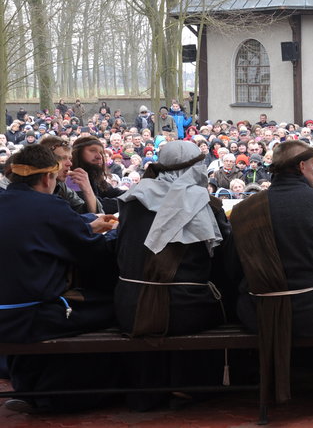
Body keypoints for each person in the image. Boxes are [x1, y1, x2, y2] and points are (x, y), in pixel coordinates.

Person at [229, 140, 313, 402]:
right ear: (302, 167)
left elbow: (233, 269)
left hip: (256, 313)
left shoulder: (244, 209)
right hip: (311, 312)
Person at [113, 140, 231, 410]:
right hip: (184, 308)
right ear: (193, 169)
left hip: (130, 305)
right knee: (220, 304)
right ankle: (193, 385)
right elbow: (224, 254)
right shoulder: (207, 204)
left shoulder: (132, 199)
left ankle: (147, 391)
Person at [0, 145, 118, 412]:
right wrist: (112, 234)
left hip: (11, 311)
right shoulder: (50, 206)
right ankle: (63, 396)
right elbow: (93, 253)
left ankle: (32, 387)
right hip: (26, 318)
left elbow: (34, 235)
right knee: (113, 307)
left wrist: (86, 226)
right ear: (46, 178)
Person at [39, 136, 101, 214]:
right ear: (46, 160)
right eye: (63, 158)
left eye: (70, 159)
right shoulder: (33, 187)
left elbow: (89, 214)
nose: (70, 163)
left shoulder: (61, 186)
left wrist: (87, 189)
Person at [72, 135, 124, 214]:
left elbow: (115, 192)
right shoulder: (72, 178)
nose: (99, 156)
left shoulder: (95, 178)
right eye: (93, 150)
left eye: (101, 153)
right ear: (78, 153)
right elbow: (98, 206)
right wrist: (129, 200)